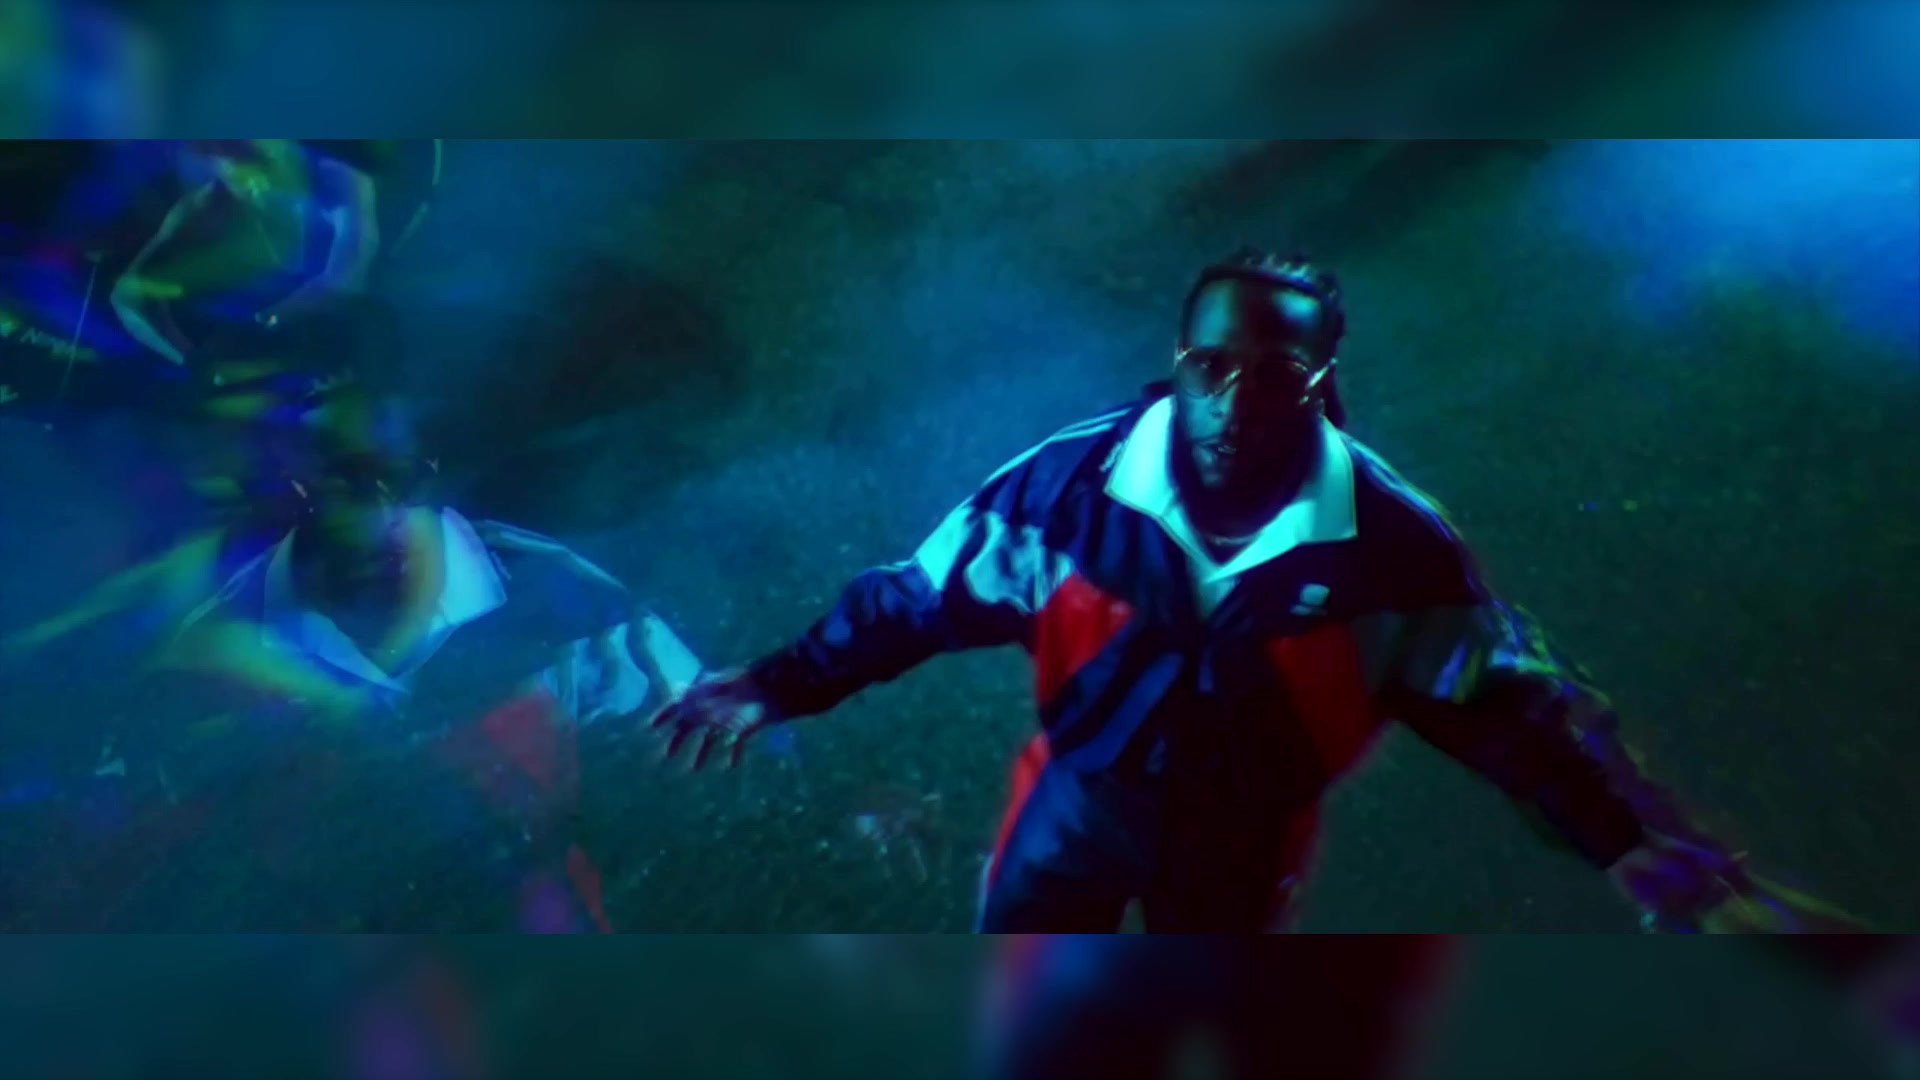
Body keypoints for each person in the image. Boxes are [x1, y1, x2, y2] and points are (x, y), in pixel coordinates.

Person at [652, 246, 1862, 936]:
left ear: (1323, 382)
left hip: (1241, 839)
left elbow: (1509, 712)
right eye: (1211, 367)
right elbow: (913, 602)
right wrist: (777, 685)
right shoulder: (1065, 492)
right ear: (1179, 364)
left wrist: (1622, 845)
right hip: (1077, 805)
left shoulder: (1391, 547)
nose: (1234, 400)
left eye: (1274, 373)